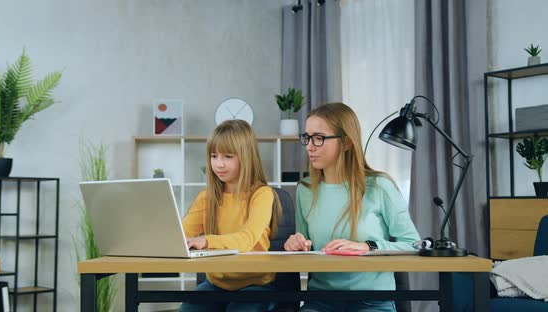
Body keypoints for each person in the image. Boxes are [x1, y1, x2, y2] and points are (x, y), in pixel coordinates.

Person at [284, 103, 420, 312]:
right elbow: (306, 248)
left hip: (373, 301)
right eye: (307, 137)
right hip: (320, 301)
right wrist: (296, 244)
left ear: (346, 142)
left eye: (319, 138)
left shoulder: (380, 186)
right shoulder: (305, 190)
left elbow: (414, 245)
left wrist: (369, 246)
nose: (310, 146)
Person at [179, 119, 282, 312]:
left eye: (227, 156)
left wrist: (206, 241)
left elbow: (246, 240)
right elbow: (181, 234)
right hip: (216, 285)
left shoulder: (261, 194)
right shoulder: (206, 198)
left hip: (256, 285)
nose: (219, 164)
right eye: (214, 156)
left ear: (246, 157)